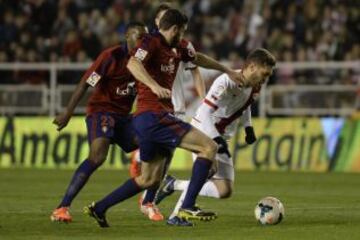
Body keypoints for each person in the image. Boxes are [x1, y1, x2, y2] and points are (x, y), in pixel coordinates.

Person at [84, 9, 244, 228]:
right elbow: (133, 64)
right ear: (175, 28)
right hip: (154, 116)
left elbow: (197, 58)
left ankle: (99, 208)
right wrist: (153, 85)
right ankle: (187, 206)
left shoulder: (178, 46)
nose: (183, 35)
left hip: (150, 120)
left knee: (149, 179)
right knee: (208, 148)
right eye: (182, 31)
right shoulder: (151, 42)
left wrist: (226, 69)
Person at [153, 48, 276, 226]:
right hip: (203, 131)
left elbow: (245, 104)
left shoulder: (256, 86)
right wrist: (215, 140)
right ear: (250, 67)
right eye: (264, 73)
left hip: (222, 138)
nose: (266, 79)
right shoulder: (226, 81)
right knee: (208, 170)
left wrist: (248, 127)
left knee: (224, 191)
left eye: (269, 75)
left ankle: (173, 184)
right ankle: (177, 215)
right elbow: (204, 112)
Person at [50, 22, 148, 223]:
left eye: (144, 39)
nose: (141, 42)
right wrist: (68, 113)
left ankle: (146, 192)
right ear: (127, 36)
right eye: (138, 37)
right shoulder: (110, 57)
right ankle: (62, 207)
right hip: (101, 111)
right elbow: (86, 83)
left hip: (124, 117)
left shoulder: (145, 59)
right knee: (97, 156)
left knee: (150, 141)